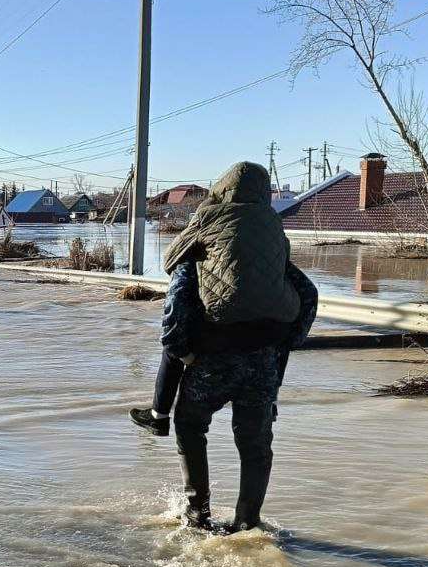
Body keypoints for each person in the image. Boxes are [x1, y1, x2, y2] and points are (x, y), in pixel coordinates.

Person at [129, 161, 318, 532]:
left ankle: (197, 515)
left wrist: (182, 350)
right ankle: (249, 521)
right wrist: (285, 346)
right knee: (255, 443)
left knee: (190, 424)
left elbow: (176, 286)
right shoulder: (275, 229)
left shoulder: (207, 223)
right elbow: (306, 292)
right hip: (263, 359)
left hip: (213, 357)